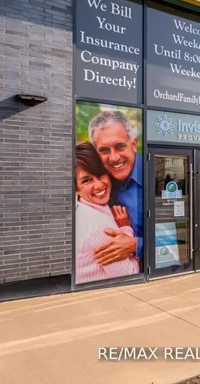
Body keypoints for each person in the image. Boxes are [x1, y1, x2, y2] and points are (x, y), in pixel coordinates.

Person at [74, 142, 139, 283]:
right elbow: (129, 275)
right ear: (76, 189)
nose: (99, 185)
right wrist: (126, 229)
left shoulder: (81, 210)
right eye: (87, 181)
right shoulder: (100, 225)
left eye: (101, 174)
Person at [88, 110, 143, 266]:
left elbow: (179, 237)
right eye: (104, 150)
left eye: (120, 146)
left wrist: (135, 245)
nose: (114, 157)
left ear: (134, 144)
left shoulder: (155, 176)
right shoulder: (97, 183)